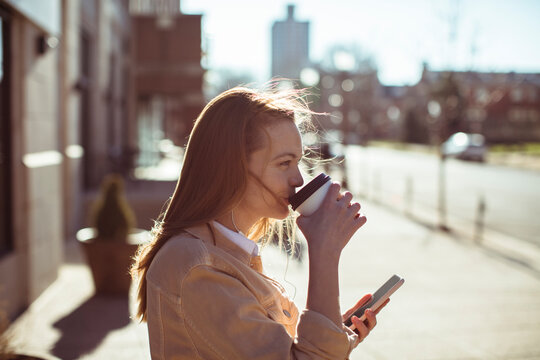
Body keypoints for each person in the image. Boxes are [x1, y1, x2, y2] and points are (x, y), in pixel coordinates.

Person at [131, 86, 386, 359]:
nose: (298, 179)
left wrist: (332, 332)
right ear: (232, 166)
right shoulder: (196, 267)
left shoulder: (229, 254)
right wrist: (325, 251)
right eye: (284, 163)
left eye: (298, 162)